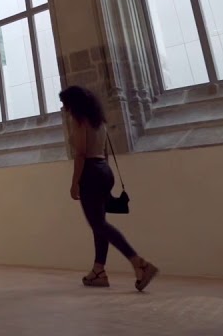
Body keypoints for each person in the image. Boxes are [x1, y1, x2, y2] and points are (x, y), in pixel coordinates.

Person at [61, 85, 159, 291]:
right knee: (99, 223)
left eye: (66, 105)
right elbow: (103, 152)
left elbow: (80, 154)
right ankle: (98, 271)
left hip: (90, 172)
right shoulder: (99, 122)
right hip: (104, 171)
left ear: (74, 105)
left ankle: (139, 263)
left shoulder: (79, 121)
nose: (65, 109)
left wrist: (74, 183)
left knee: (99, 225)